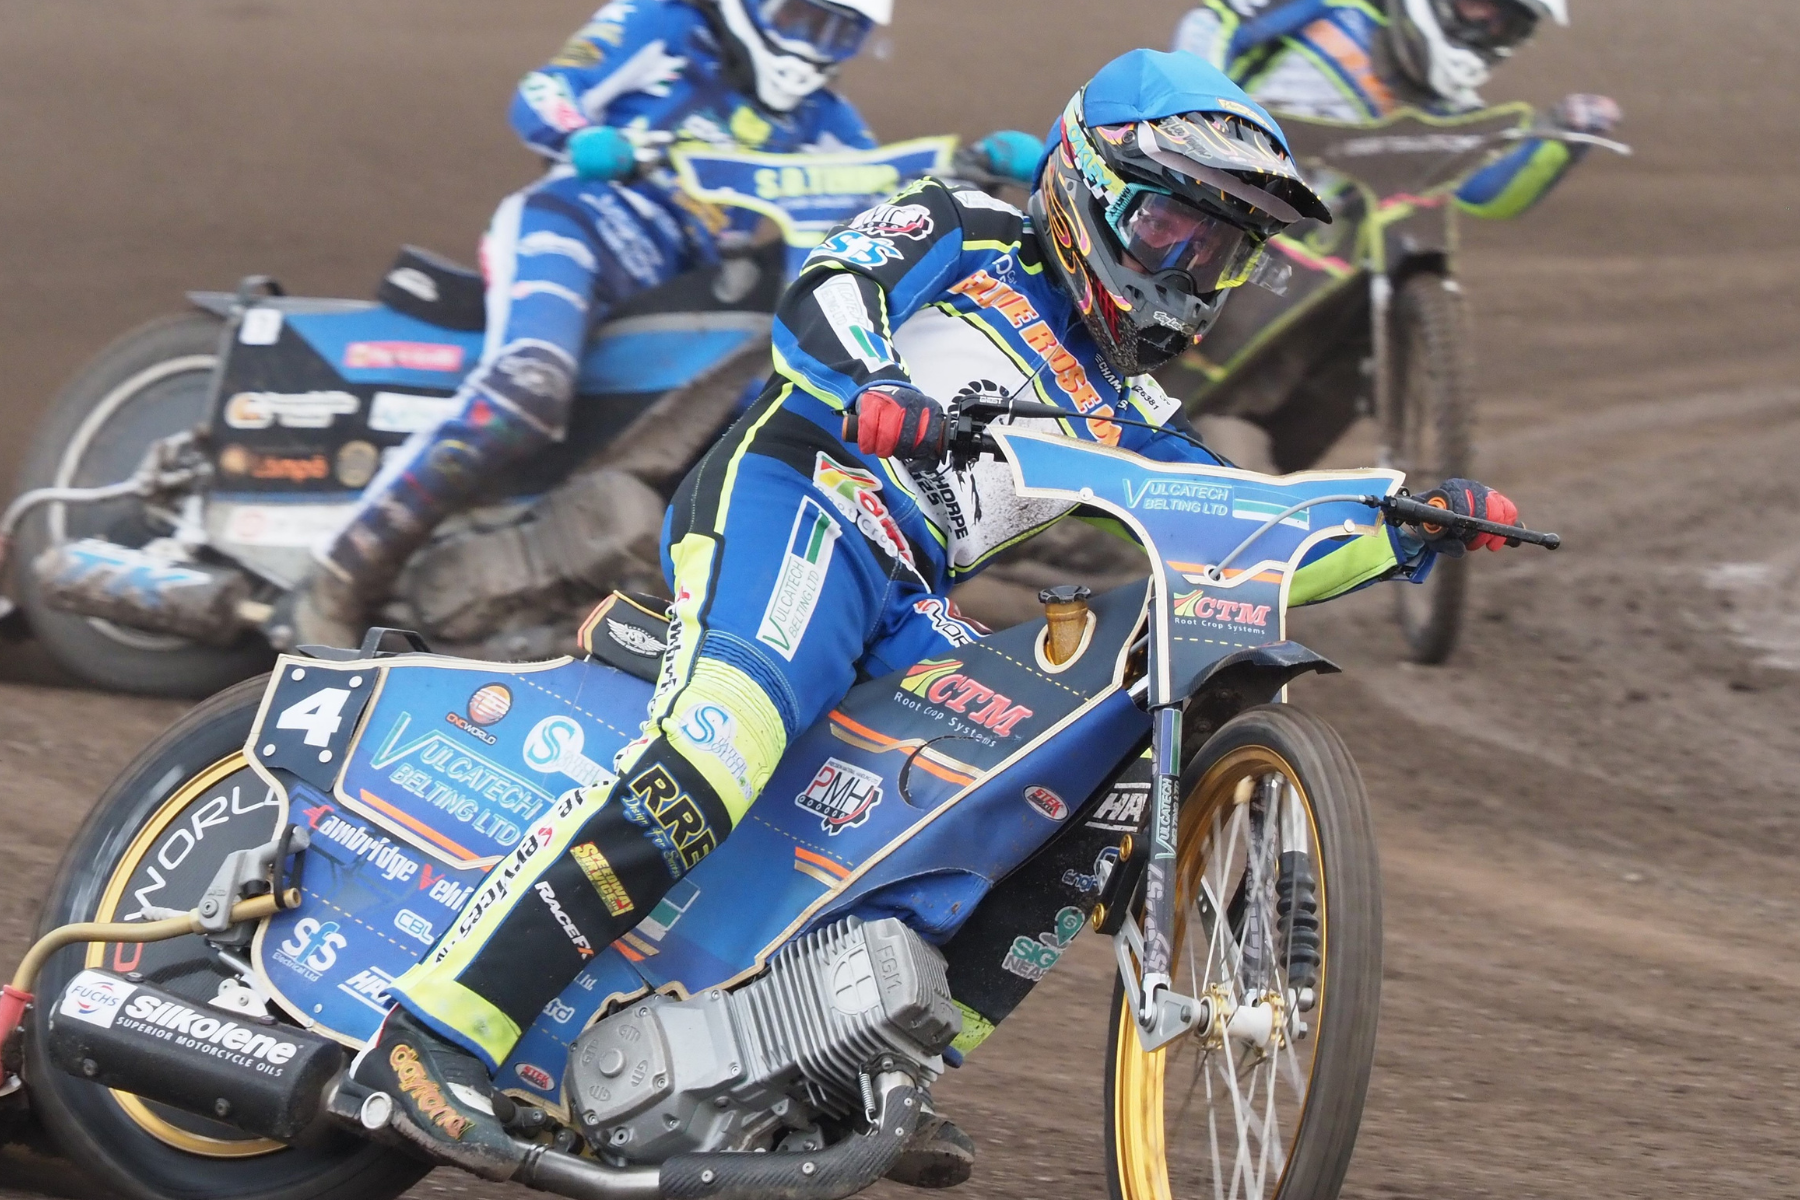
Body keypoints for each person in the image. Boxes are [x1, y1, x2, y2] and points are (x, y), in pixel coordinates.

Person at [346, 48, 1524, 1185]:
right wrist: (876, 381)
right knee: (723, 743)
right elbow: (826, 293)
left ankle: (860, 1070)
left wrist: (1400, 525)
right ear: (1088, 185)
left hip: (907, 593)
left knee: (1052, 780)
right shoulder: (969, 225)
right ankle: (436, 1031)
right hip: (799, 501)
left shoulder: (1133, 406)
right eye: (1171, 226)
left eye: (1219, 250)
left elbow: (1244, 523)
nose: (1186, 267)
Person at [293, 0, 1033, 645]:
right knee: (529, 385)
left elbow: (872, 209)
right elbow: (544, 92)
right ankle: (337, 580)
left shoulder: (827, 124)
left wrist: (973, 173)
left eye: (838, 31)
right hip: (574, 227)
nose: (810, 44)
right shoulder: (667, 23)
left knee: (758, 414)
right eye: (798, 15)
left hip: (673, 291)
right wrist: (584, 138)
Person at [1172, 0, 1620, 218]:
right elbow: (1214, 23)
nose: (1487, 21)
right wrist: (1204, 116)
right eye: (1480, 1)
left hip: (1301, 239)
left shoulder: (1452, 110)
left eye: (1504, 20)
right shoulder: (1338, 6)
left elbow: (1482, 192)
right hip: (1203, 176)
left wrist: (1558, 138)